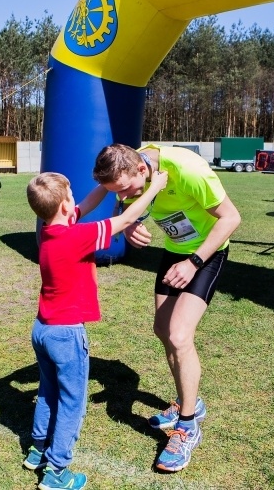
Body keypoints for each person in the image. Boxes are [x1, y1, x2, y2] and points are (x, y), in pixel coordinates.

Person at [90, 143, 241, 472]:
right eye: (117, 191)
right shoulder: (131, 164)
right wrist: (129, 222)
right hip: (175, 252)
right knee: (162, 329)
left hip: (206, 253)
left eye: (126, 188)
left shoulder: (188, 170)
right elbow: (122, 200)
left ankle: (187, 427)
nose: (123, 196)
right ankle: (190, 402)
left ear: (142, 170)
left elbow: (232, 217)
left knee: (179, 335)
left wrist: (194, 262)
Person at [24, 169, 169, 490]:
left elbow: (85, 205)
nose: (76, 201)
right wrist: (155, 187)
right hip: (65, 334)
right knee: (72, 403)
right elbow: (126, 218)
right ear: (64, 206)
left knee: (48, 391)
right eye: (71, 196)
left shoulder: (49, 230)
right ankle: (57, 471)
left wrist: (105, 185)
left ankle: (38, 449)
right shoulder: (77, 236)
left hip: (42, 329)